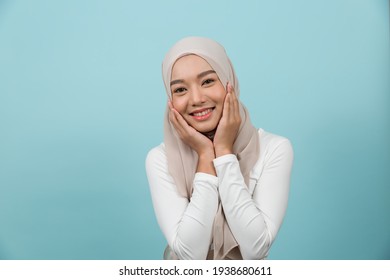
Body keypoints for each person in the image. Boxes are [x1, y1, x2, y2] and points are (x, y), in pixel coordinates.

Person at [145, 37, 293, 260]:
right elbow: (190, 257)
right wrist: (206, 156)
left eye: (207, 82)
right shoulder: (161, 158)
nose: (196, 99)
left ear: (228, 82)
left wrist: (224, 152)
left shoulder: (274, 149)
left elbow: (255, 250)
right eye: (180, 89)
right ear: (170, 99)